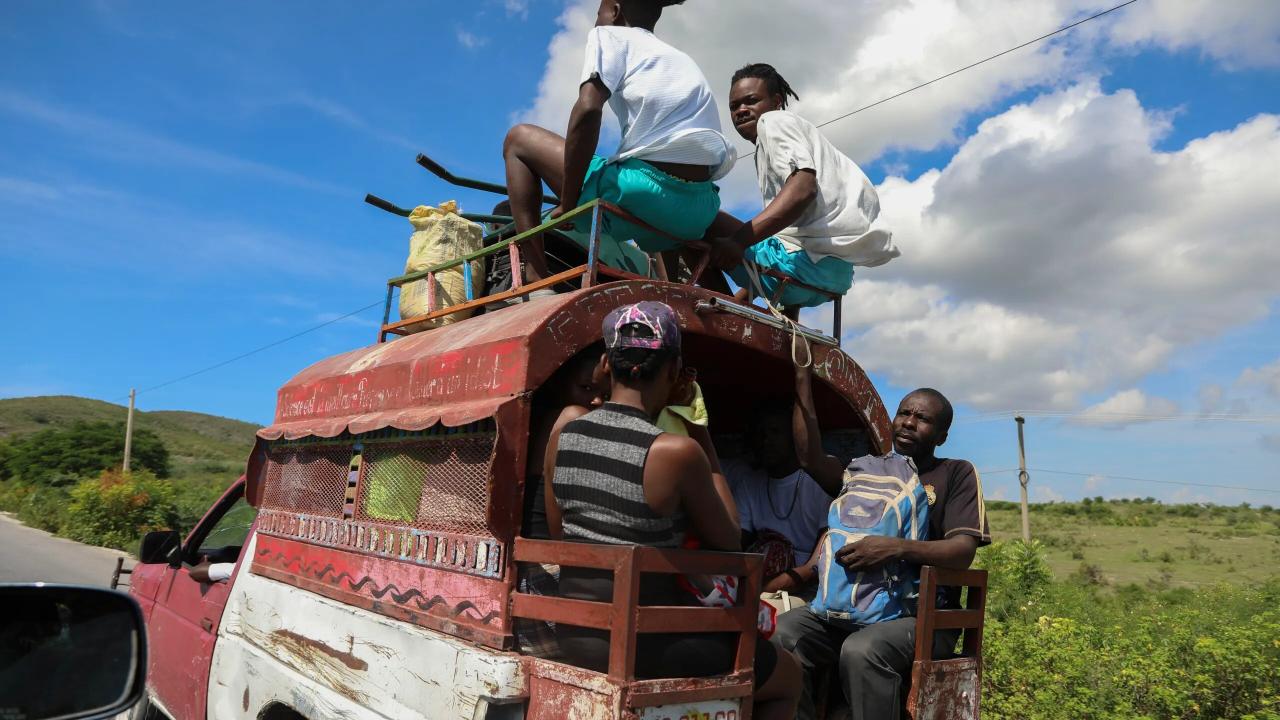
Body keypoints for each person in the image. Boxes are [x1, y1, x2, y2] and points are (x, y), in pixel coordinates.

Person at [543, 301, 800, 720]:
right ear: (675, 370)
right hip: (652, 642)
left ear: (606, 364)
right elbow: (731, 537)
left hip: (576, 633)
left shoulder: (565, 428)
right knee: (788, 677)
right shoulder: (675, 451)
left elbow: (561, 537)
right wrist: (699, 429)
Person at [774, 388, 991, 720]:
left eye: (923, 419)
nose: (908, 423)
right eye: (904, 413)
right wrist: (803, 378)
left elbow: (962, 552)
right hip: (851, 608)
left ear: (942, 437)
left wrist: (895, 549)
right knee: (781, 634)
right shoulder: (867, 470)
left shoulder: (955, 473)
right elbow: (810, 458)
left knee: (864, 650)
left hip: (923, 615)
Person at [502, 0, 734, 289]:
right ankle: (671, 290)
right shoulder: (681, 58)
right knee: (652, 190)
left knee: (517, 138)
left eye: (596, 13)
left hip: (645, 193)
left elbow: (588, 110)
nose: (596, 21)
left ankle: (536, 275)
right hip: (700, 209)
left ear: (613, 10)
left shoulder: (609, 35)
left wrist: (569, 202)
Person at [705, 63, 898, 314]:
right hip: (832, 276)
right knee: (772, 236)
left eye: (751, 101)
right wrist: (745, 296)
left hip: (806, 266)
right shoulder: (800, 140)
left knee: (693, 215)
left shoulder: (774, 121)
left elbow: (803, 189)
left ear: (776, 101)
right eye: (734, 106)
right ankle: (774, 324)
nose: (741, 110)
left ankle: (715, 313)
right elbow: (791, 235)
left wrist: (737, 242)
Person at [726, 358, 844, 596]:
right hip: (756, 580)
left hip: (805, 588)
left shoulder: (817, 483)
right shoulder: (751, 483)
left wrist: (760, 593)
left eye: (774, 432)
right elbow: (734, 543)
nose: (765, 441)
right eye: (760, 434)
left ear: (793, 437)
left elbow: (814, 567)